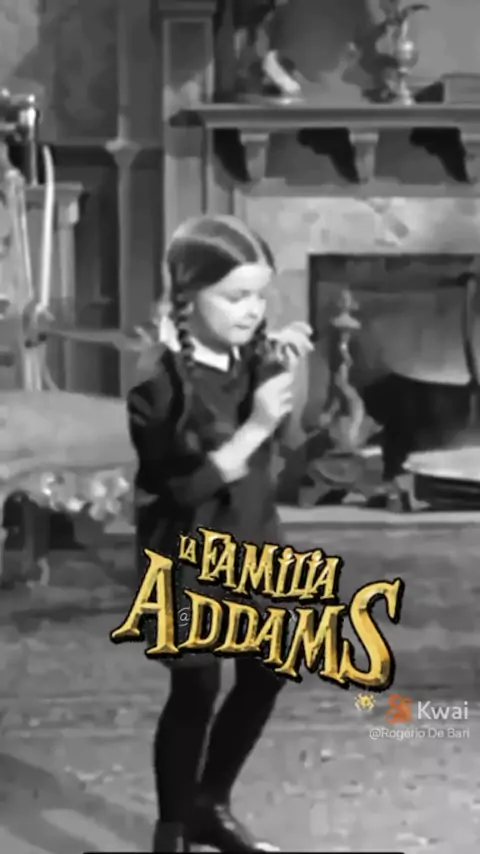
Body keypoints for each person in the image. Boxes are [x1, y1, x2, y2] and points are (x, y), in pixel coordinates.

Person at [127, 215, 312, 853]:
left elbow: (288, 448)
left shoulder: (253, 360)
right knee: (197, 687)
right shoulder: (156, 384)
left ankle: (210, 804)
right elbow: (178, 490)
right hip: (185, 552)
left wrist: (286, 376)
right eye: (235, 297)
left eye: (259, 296)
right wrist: (255, 426)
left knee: (268, 670)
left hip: (255, 542)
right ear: (187, 297)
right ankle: (173, 829)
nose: (252, 311)